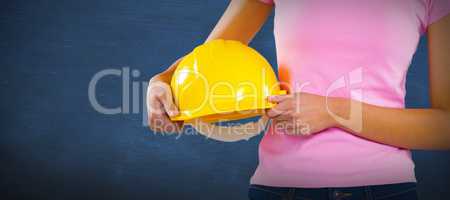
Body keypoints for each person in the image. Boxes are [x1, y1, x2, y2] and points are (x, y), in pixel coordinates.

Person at [147, 0, 450, 199]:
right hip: (280, 188)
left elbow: (445, 127)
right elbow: (209, 60)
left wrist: (335, 111)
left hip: (384, 189)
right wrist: (162, 82)